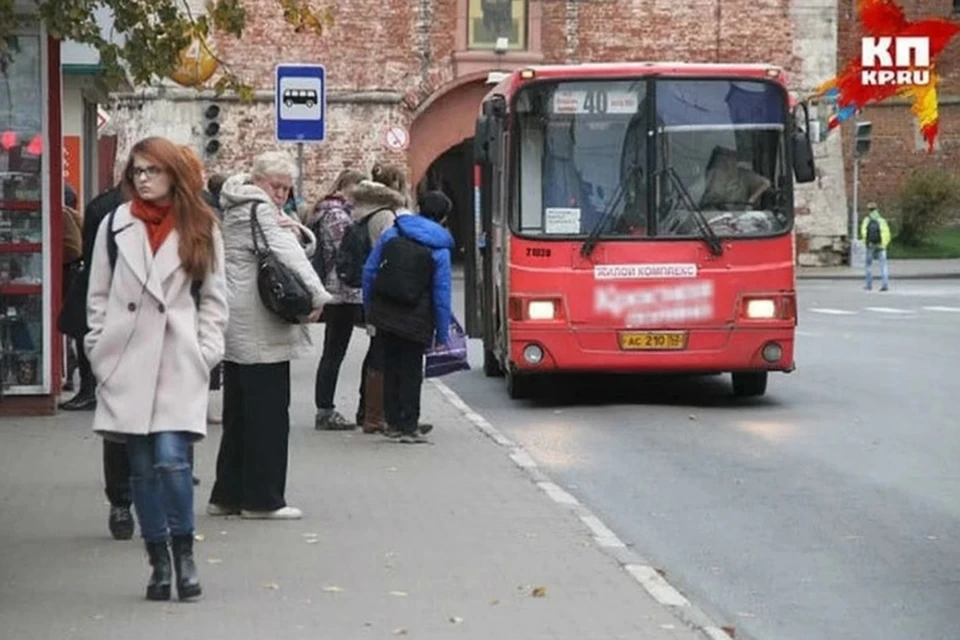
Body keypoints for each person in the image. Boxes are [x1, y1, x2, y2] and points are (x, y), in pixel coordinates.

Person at [85, 136, 228, 601]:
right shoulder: (115, 225)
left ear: (174, 174)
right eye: (137, 171)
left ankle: (185, 554)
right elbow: (98, 297)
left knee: (172, 458)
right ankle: (158, 561)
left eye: (152, 171)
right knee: (141, 470)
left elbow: (214, 300)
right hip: (127, 362)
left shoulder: (202, 224)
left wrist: (205, 352)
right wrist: (99, 351)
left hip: (178, 360)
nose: (143, 179)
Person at [207, 151, 331, 520]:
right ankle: (262, 499)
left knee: (239, 414)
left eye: (286, 188)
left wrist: (295, 230)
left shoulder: (235, 204)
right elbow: (288, 256)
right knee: (269, 416)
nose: (280, 194)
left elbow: (292, 243)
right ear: (258, 179)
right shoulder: (257, 209)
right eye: (276, 186)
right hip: (261, 324)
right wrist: (320, 297)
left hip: (238, 321)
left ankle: (227, 494)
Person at [361, 189, 454, 444]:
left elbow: (370, 271)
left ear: (418, 208)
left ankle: (392, 422)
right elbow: (441, 292)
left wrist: (370, 307)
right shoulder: (440, 246)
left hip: (386, 310)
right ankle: (409, 425)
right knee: (412, 370)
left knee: (390, 366)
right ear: (444, 217)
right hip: (418, 316)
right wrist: (442, 330)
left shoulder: (393, 233)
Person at [346, 174, 408, 433]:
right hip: (381, 288)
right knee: (381, 353)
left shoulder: (357, 213)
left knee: (376, 350)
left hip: (365, 287)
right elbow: (391, 250)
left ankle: (367, 411)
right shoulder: (384, 217)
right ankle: (375, 415)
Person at [307, 168, 367, 430]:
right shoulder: (336, 215)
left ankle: (326, 408)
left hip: (337, 289)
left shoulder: (326, 210)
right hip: (341, 291)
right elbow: (348, 249)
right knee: (334, 352)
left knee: (333, 351)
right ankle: (325, 409)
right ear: (349, 188)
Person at [699, 146, 771, 210]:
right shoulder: (712, 175)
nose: (728, 161)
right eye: (725, 157)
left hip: (738, 217)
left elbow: (766, 183)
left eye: (732, 157)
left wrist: (751, 201)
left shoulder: (744, 175)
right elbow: (696, 197)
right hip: (710, 217)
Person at [860, 201, 891, 291]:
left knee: (868, 265)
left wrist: (867, 242)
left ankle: (869, 285)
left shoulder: (866, 220)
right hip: (881, 245)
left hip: (870, 245)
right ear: (877, 209)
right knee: (883, 265)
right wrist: (884, 244)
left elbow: (863, 232)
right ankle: (885, 285)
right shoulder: (882, 220)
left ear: (868, 210)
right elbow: (887, 233)